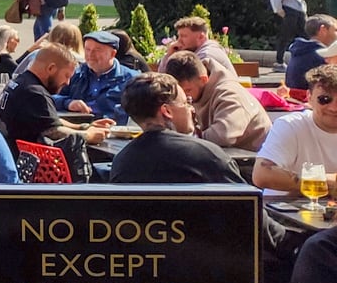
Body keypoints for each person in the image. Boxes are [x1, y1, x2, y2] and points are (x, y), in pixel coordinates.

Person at [109, 73, 247, 185]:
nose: (191, 109)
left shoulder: (122, 163)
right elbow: (249, 209)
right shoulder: (208, 156)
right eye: (186, 103)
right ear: (166, 111)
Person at [0, 45, 112, 179]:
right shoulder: (34, 93)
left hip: (15, 161)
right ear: (51, 68)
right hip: (26, 170)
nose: (67, 82)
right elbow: (54, 132)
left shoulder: (20, 82)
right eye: (66, 75)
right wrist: (88, 135)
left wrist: (83, 126)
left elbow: (48, 120)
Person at [161, 49, 271, 153]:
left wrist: (187, 141)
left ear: (204, 79)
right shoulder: (197, 90)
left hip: (254, 160)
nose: (184, 96)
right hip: (226, 156)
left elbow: (223, 135)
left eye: (188, 90)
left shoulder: (230, 94)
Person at [251, 62, 337, 191]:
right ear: (309, 97)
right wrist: (324, 183)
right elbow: (262, 174)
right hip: (283, 208)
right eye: (324, 99)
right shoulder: (290, 125)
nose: (334, 108)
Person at [62, 31, 138, 124]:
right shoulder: (75, 74)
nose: (90, 54)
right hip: (78, 128)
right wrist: (68, 103)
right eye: (87, 49)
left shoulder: (131, 79)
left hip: (113, 131)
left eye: (97, 50)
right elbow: (50, 98)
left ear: (112, 54)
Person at [287, 14, 337, 93]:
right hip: (315, 102)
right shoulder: (321, 57)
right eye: (335, 30)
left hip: (296, 100)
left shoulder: (300, 51)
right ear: (323, 30)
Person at [172, 14, 237, 74]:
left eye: (184, 36)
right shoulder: (202, 51)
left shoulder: (206, 55)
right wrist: (170, 55)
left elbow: (185, 80)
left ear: (201, 37)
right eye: (179, 36)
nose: (179, 40)